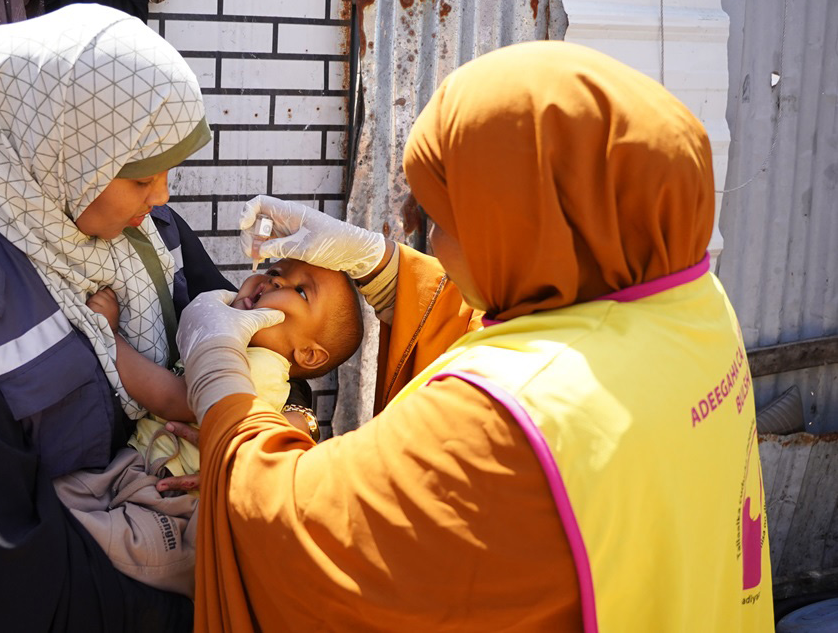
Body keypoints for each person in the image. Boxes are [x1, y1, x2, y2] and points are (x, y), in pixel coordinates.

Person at [176, 41, 775, 631]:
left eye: (441, 219)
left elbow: (284, 526)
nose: (430, 243)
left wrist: (221, 375)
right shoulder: (692, 304)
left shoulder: (505, 422)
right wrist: (381, 266)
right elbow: (539, 329)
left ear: (523, 229)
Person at [0, 3, 245, 631]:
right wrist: (182, 605)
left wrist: (259, 425)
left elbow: (253, 348)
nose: (163, 196)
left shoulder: (153, 236)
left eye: (166, 172)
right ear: (61, 154)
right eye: (142, 176)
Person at [52, 259, 364, 597]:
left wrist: (111, 337)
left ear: (308, 353)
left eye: (301, 291)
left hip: (177, 505)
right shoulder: (235, 340)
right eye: (276, 272)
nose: (275, 282)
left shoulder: (260, 366)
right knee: (59, 497)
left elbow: (174, 399)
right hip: (138, 469)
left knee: (94, 544)